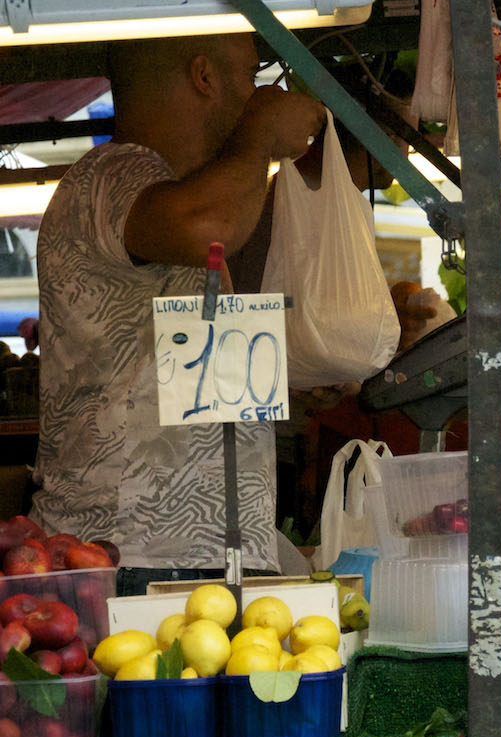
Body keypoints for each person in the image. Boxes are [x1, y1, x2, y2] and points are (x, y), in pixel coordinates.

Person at [30, 34, 325, 594]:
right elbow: (203, 228)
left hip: (193, 553)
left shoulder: (179, 195)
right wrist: (259, 134)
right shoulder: (114, 176)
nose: (257, 90)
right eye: (249, 73)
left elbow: (190, 373)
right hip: (133, 555)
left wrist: (298, 376)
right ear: (204, 76)